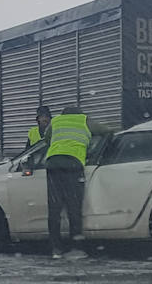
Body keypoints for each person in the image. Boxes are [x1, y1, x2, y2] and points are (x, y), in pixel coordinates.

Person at [40, 106, 110, 258]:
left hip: (53, 163)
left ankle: (56, 249)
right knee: (74, 207)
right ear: (80, 113)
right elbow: (107, 131)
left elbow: (46, 139)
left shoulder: (56, 121)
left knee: (54, 208)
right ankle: (76, 247)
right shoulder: (84, 120)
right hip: (73, 164)